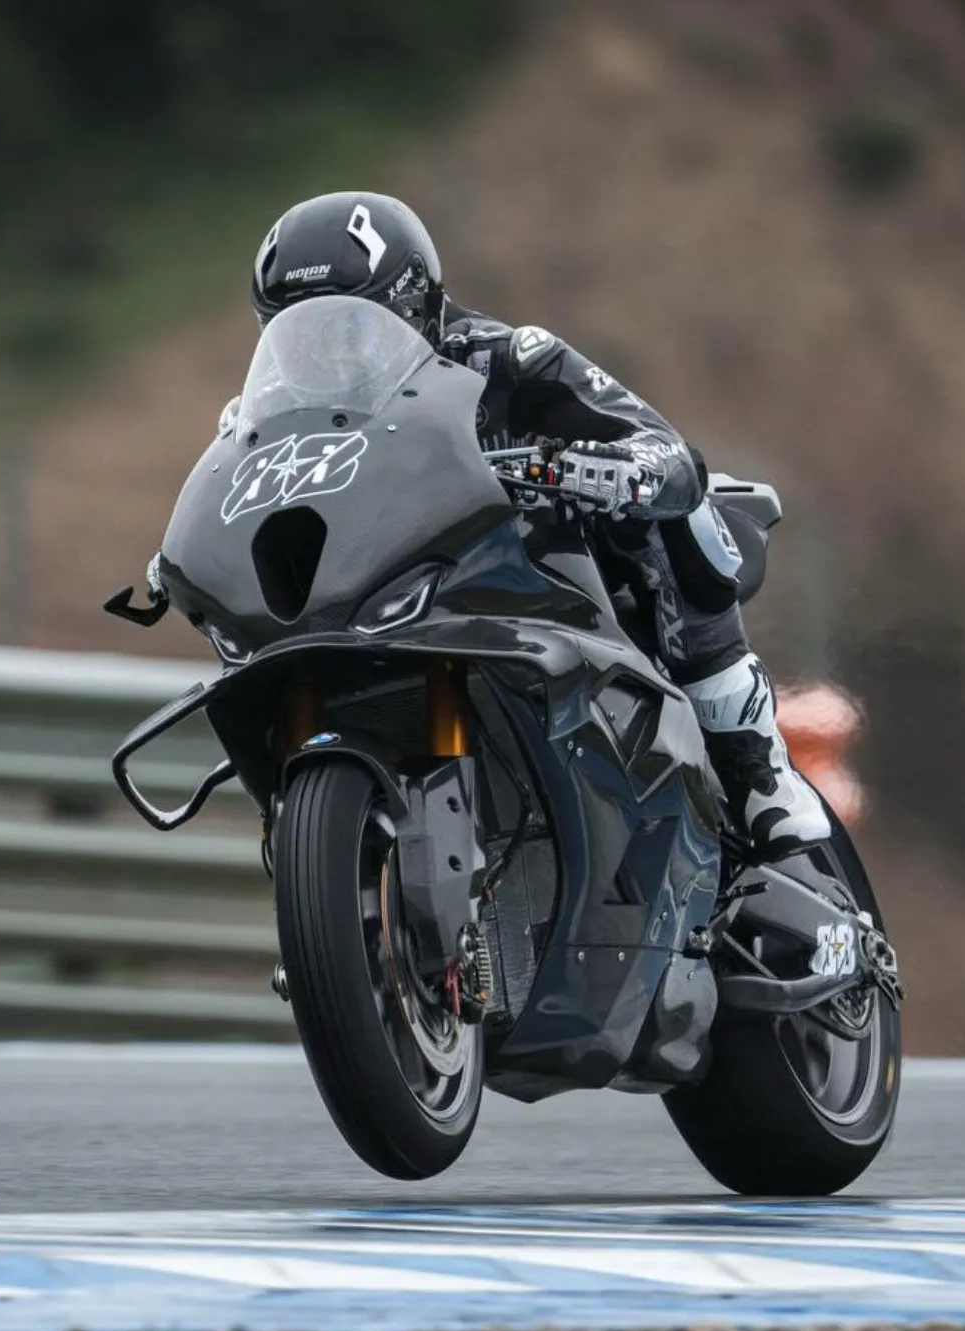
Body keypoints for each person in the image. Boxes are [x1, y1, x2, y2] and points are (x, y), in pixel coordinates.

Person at [246, 191, 829, 859]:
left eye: (347, 329)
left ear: (409, 306)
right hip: (386, 597)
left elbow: (661, 448)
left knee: (674, 512)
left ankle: (756, 767)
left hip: (539, 570)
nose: (327, 355)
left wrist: (610, 469)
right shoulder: (266, 417)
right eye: (301, 334)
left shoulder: (507, 358)